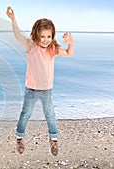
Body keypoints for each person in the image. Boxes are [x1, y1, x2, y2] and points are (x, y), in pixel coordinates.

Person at [6, 6, 75, 156]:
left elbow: (69, 53)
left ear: (52, 36)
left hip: (47, 90)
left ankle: (54, 139)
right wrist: (13, 19)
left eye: (49, 37)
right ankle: (19, 137)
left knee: (50, 114)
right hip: (31, 89)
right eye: (42, 37)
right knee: (25, 114)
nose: (45, 40)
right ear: (36, 35)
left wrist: (71, 42)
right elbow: (18, 35)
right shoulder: (31, 46)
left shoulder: (53, 49)